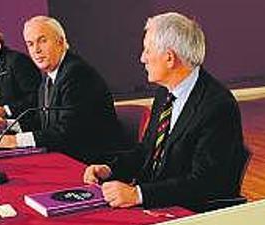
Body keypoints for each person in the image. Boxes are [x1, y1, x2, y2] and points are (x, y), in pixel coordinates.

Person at [82, 12, 248, 211]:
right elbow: (147, 151)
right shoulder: (164, 93)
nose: (142, 58)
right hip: (157, 202)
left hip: (187, 213)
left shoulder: (218, 106)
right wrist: (109, 169)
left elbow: (204, 182)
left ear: (169, 58)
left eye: (147, 50)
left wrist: (139, 195)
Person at [0, 16, 122, 162]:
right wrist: (8, 125)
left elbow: (68, 131)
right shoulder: (50, 76)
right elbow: (44, 122)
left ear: (60, 42)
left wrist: (16, 141)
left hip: (93, 163)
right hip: (67, 157)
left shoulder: (77, 74)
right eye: (30, 44)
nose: (36, 50)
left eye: (42, 41)